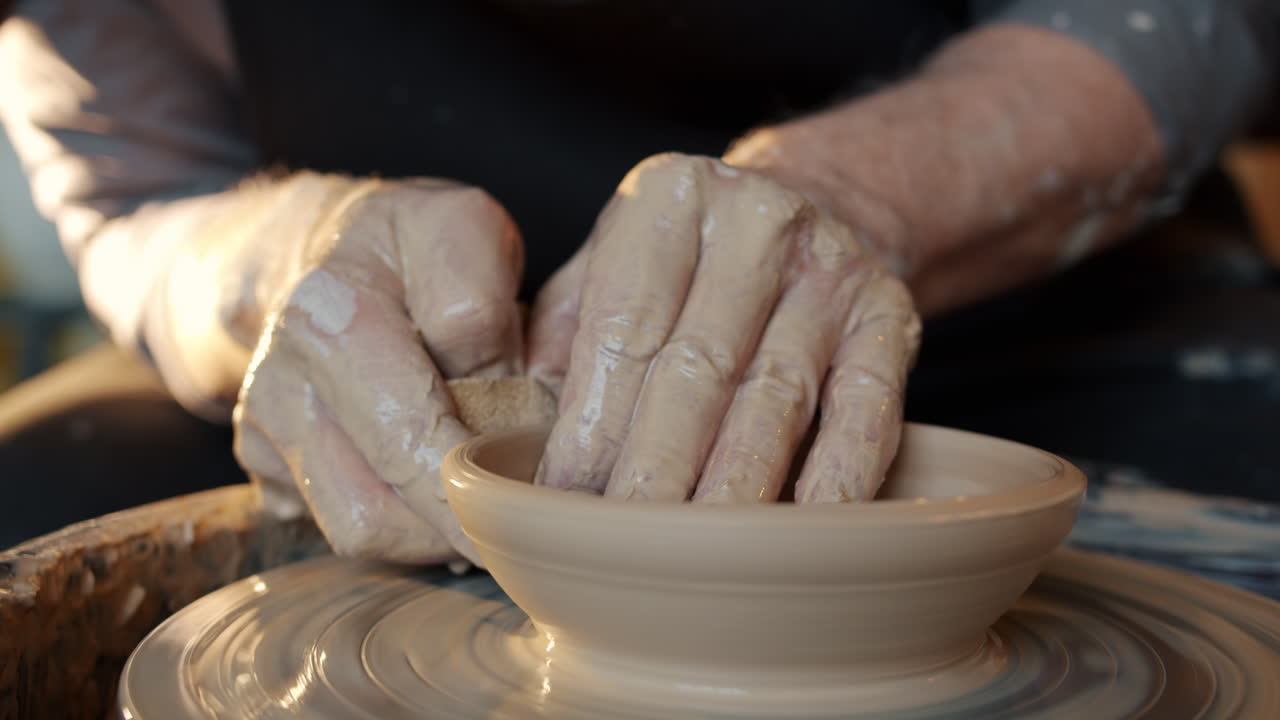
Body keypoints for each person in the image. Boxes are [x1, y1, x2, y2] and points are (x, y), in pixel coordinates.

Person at [0, 1, 1276, 559]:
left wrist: (867, 197)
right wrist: (292, 266)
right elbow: (145, 197)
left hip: (1009, 275)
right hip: (418, 375)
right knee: (35, 509)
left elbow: (1182, 16)